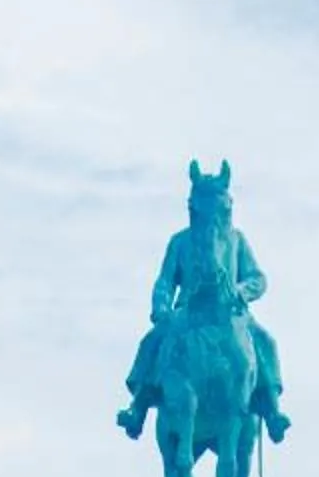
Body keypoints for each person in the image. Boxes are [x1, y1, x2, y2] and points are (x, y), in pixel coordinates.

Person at [118, 161, 291, 444]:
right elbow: (165, 281)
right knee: (152, 341)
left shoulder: (236, 240)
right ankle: (138, 407)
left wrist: (241, 290)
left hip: (231, 310)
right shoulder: (180, 242)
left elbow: (257, 277)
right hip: (188, 312)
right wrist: (160, 307)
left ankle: (272, 411)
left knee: (265, 341)